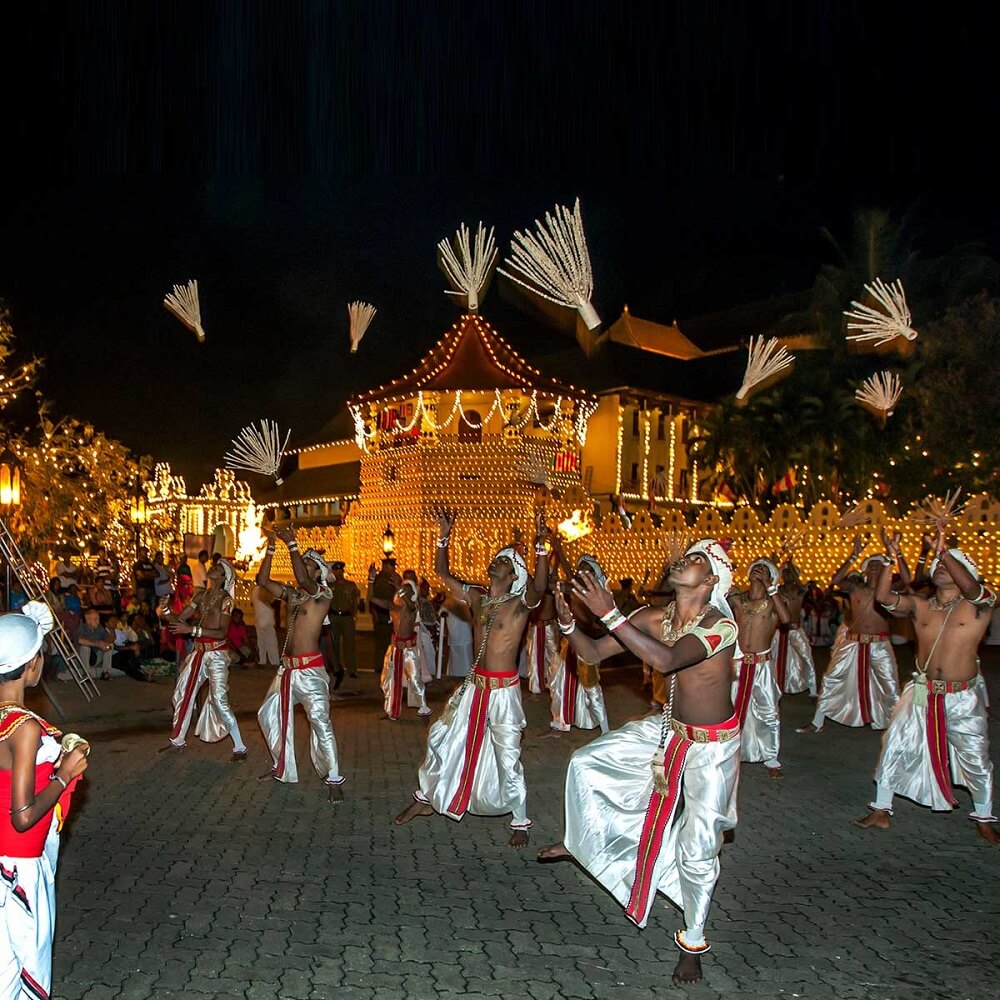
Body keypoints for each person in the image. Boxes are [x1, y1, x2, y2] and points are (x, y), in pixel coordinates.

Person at [537, 539, 741, 987]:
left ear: (710, 581)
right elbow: (591, 653)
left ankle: (693, 940)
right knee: (587, 764)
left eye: (696, 561)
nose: (683, 562)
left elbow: (667, 661)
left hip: (711, 746)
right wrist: (568, 621)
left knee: (700, 845)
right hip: (667, 729)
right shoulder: (654, 617)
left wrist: (610, 612)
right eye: (684, 556)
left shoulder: (721, 626)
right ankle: (581, 842)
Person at [394, 509, 550, 848]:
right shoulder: (477, 596)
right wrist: (444, 535)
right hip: (474, 687)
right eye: (495, 559)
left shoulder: (520, 603)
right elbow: (440, 573)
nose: (496, 563)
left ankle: (520, 820)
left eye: (504, 563)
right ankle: (426, 798)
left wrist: (541, 548)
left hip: (504, 693)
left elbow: (540, 586)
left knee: (507, 754)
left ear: (514, 576)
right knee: (441, 737)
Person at [855, 533, 999, 845]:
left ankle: (985, 817)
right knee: (894, 744)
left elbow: (973, 589)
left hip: (962, 696)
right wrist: (891, 559)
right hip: (921, 691)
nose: (941, 567)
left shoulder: (981, 604)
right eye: (938, 565)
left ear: (967, 573)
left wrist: (943, 551)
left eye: (951, 564)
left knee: (974, 756)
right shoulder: (921, 606)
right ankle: (881, 809)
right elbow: (883, 598)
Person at [0, 601, 89, 999]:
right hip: (19, 866)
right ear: (33, 664)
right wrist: (63, 775)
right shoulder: (25, 728)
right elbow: (22, 815)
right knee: (27, 968)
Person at [256, 526, 345, 798]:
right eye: (302, 563)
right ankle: (281, 764)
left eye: (308, 564)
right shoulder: (294, 596)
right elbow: (262, 580)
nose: (303, 568)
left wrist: (292, 543)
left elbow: (304, 580)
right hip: (287, 671)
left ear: (318, 572)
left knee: (320, 723)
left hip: (310, 672)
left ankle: (334, 779)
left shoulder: (322, 595)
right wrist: (271, 548)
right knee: (267, 713)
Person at [798, 537, 899, 734]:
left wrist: (893, 554)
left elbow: (909, 579)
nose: (875, 569)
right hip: (852, 642)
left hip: (880, 644)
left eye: (879, 565)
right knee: (831, 678)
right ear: (865, 570)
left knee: (890, 685)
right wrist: (854, 554)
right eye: (871, 565)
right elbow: (835, 580)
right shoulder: (856, 588)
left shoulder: (890, 592)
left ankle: (897, 726)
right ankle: (817, 722)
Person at [162, 559, 248, 759]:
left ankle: (240, 747)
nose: (213, 568)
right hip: (198, 653)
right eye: (214, 566)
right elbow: (180, 620)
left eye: (218, 568)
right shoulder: (201, 595)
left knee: (219, 700)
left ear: (224, 577)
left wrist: (192, 629)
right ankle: (177, 740)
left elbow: (222, 633)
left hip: (216, 655)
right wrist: (166, 612)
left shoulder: (226, 600)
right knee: (183, 693)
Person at [728, 558, 790, 778]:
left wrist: (771, 587)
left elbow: (786, 619)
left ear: (771, 576)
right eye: (755, 567)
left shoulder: (774, 602)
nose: (758, 570)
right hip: (737, 664)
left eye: (764, 569)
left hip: (762, 667)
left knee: (768, 711)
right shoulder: (737, 600)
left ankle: (771, 757)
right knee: (730, 709)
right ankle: (729, 752)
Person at [545, 554, 610, 736]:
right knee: (560, 681)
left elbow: (590, 619)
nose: (580, 571)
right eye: (579, 567)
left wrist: (559, 550)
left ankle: (605, 730)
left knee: (591, 687)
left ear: (592, 573)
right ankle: (560, 724)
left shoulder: (594, 594)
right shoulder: (574, 588)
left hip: (588, 645)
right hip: (570, 642)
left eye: (584, 568)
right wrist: (551, 558)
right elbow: (550, 584)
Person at [380, 579, 430, 720]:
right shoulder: (395, 607)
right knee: (386, 680)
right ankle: (390, 709)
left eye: (408, 589)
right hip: (395, 649)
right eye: (403, 589)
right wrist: (371, 581)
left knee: (415, 679)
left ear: (413, 593)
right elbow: (375, 600)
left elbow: (410, 606)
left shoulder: (414, 606)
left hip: (409, 650)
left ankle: (424, 708)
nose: (404, 591)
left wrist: (398, 587)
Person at [771, 559, 817, 696]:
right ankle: (777, 686)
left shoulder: (800, 591)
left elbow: (799, 582)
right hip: (780, 632)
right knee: (776, 660)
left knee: (806, 658)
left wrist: (790, 564)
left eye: (789, 573)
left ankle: (812, 688)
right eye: (784, 573)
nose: (787, 576)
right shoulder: (777, 591)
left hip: (796, 631)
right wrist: (775, 565)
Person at [523, 549, 558, 696]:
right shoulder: (535, 585)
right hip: (537, 627)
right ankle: (536, 689)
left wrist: (556, 553)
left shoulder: (553, 585)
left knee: (554, 657)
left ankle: (553, 685)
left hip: (551, 625)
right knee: (535, 660)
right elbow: (525, 573)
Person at [327, 561, 360, 687]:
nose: (339, 573)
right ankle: (336, 668)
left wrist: (354, 615)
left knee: (349, 644)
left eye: (340, 570)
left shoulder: (350, 585)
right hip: (334, 616)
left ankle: (352, 669)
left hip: (346, 617)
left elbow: (355, 601)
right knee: (334, 644)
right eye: (336, 570)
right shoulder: (330, 586)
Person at [369, 556, 399, 675]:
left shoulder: (393, 578)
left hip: (392, 612)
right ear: (386, 566)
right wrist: (374, 613)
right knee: (382, 642)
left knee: (390, 642)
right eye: (392, 566)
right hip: (382, 613)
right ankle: (379, 667)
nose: (393, 568)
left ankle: (387, 666)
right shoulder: (379, 579)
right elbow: (373, 598)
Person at [76, 608, 123, 680]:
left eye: (98, 619)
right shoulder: (82, 628)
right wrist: (97, 643)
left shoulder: (99, 628)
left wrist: (106, 642)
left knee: (109, 646)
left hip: (96, 655)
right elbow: (80, 640)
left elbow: (109, 639)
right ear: (88, 620)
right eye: (95, 619)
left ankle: (105, 672)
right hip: (82, 657)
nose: (98, 621)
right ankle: (86, 674)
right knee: (85, 647)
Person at [441, 597, 473, 678]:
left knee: (465, 657)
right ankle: (454, 675)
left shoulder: (465, 599)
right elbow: (442, 611)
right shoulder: (449, 600)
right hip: (453, 634)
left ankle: (467, 676)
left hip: (465, 634)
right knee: (454, 659)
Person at [251, 584, 280, 668]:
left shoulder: (254, 590)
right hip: (267, 619)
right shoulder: (266, 589)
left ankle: (262, 660)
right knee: (271, 642)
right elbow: (271, 602)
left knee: (261, 642)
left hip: (258, 619)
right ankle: (274, 662)